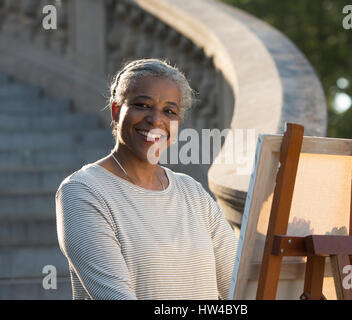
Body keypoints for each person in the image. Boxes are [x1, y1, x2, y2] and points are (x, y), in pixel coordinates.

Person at [55, 58, 238, 300]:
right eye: (142, 105)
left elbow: (239, 286)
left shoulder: (192, 192)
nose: (155, 120)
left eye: (169, 111)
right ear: (116, 110)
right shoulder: (83, 192)